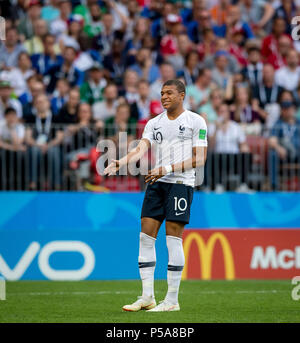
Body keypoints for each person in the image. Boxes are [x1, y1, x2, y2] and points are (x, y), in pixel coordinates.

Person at [104, 79, 207, 312]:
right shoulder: (153, 123)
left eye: (169, 92)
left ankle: (171, 300)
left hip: (180, 183)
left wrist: (167, 169)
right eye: (161, 93)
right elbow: (141, 148)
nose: (164, 97)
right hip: (156, 183)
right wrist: (122, 161)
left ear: (182, 95)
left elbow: (200, 158)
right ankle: (147, 296)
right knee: (145, 237)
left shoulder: (195, 121)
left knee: (172, 238)